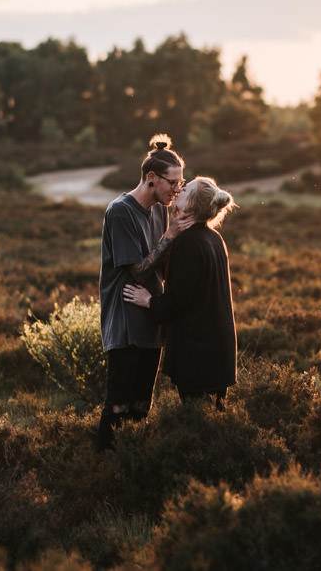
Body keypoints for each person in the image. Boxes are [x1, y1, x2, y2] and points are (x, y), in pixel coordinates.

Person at [96, 134, 194, 451]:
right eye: (173, 183)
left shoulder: (159, 210)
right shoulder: (120, 212)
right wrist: (170, 236)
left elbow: (160, 265)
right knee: (117, 410)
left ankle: (131, 471)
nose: (177, 190)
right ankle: (100, 474)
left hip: (150, 324)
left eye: (182, 183)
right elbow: (137, 271)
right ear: (151, 178)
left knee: (141, 409)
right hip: (125, 326)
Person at [123, 176, 238, 410]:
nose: (178, 191)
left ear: (192, 205)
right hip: (218, 350)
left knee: (198, 425)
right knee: (215, 422)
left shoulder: (190, 243)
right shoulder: (213, 238)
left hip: (199, 354)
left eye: (184, 190)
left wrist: (149, 301)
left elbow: (179, 300)